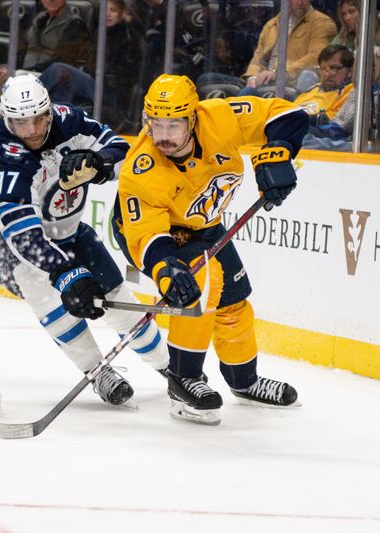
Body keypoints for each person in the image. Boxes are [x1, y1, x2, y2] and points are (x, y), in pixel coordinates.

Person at [0, 74, 171, 408]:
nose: (30, 131)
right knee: (45, 290)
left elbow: (123, 152)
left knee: (114, 291)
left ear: (49, 112)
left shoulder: (68, 121)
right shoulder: (6, 157)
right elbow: (21, 233)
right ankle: (97, 370)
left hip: (62, 227)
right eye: (19, 122)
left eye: (37, 120)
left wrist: (98, 163)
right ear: (6, 119)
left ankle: (170, 367)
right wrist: (66, 274)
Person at [113, 74, 308, 425]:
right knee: (201, 284)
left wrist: (277, 153)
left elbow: (288, 115)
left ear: (193, 118)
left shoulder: (219, 117)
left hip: (204, 223)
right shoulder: (140, 170)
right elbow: (145, 236)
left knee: (233, 300)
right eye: (156, 124)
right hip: (158, 235)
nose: (163, 136)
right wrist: (166, 268)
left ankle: (245, 382)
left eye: (173, 124)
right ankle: (183, 379)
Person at [0, 0, 91, 127]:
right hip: (21, 75)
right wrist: (7, 68)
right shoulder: (38, 20)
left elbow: (63, 61)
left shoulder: (75, 24)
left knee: (21, 75)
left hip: (49, 79)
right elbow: (21, 52)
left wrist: (25, 70)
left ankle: (6, 108)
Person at [196, 0, 336, 100]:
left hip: (290, 82)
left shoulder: (323, 23)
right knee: (206, 79)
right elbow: (258, 58)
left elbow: (316, 57)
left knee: (248, 93)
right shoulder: (272, 24)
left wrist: (279, 73)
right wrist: (252, 77)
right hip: (264, 79)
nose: (300, 2)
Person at [36, 0, 142, 131]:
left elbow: (129, 73)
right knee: (63, 85)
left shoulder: (130, 37)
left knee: (59, 69)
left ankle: (29, 96)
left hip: (111, 92)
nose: (108, 14)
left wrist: (99, 72)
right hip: (95, 82)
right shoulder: (100, 32)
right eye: (105, 10)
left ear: (122, 13)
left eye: (113, 10)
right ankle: (57, 126)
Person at [293, 44, 353, 123]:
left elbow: (333, 123)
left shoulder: (350, 92)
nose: (327, 74)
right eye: (323, 68)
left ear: (349, 72)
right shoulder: (312, 89)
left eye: (334, 68)